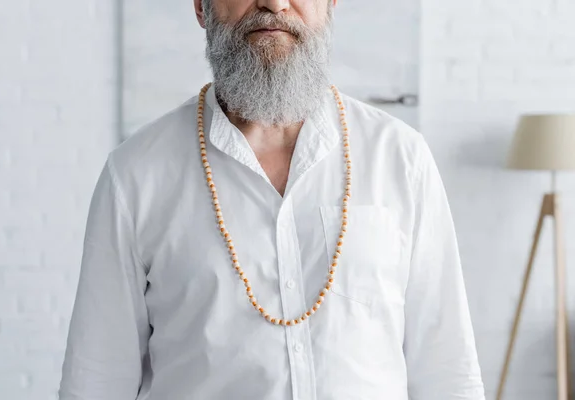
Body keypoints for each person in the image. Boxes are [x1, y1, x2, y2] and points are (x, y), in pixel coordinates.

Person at [59, 0, 486, 399]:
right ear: (200, 7)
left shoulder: (401, 157)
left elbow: (448, 369)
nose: (275, 3)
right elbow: (97, 381)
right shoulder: (135, 174)